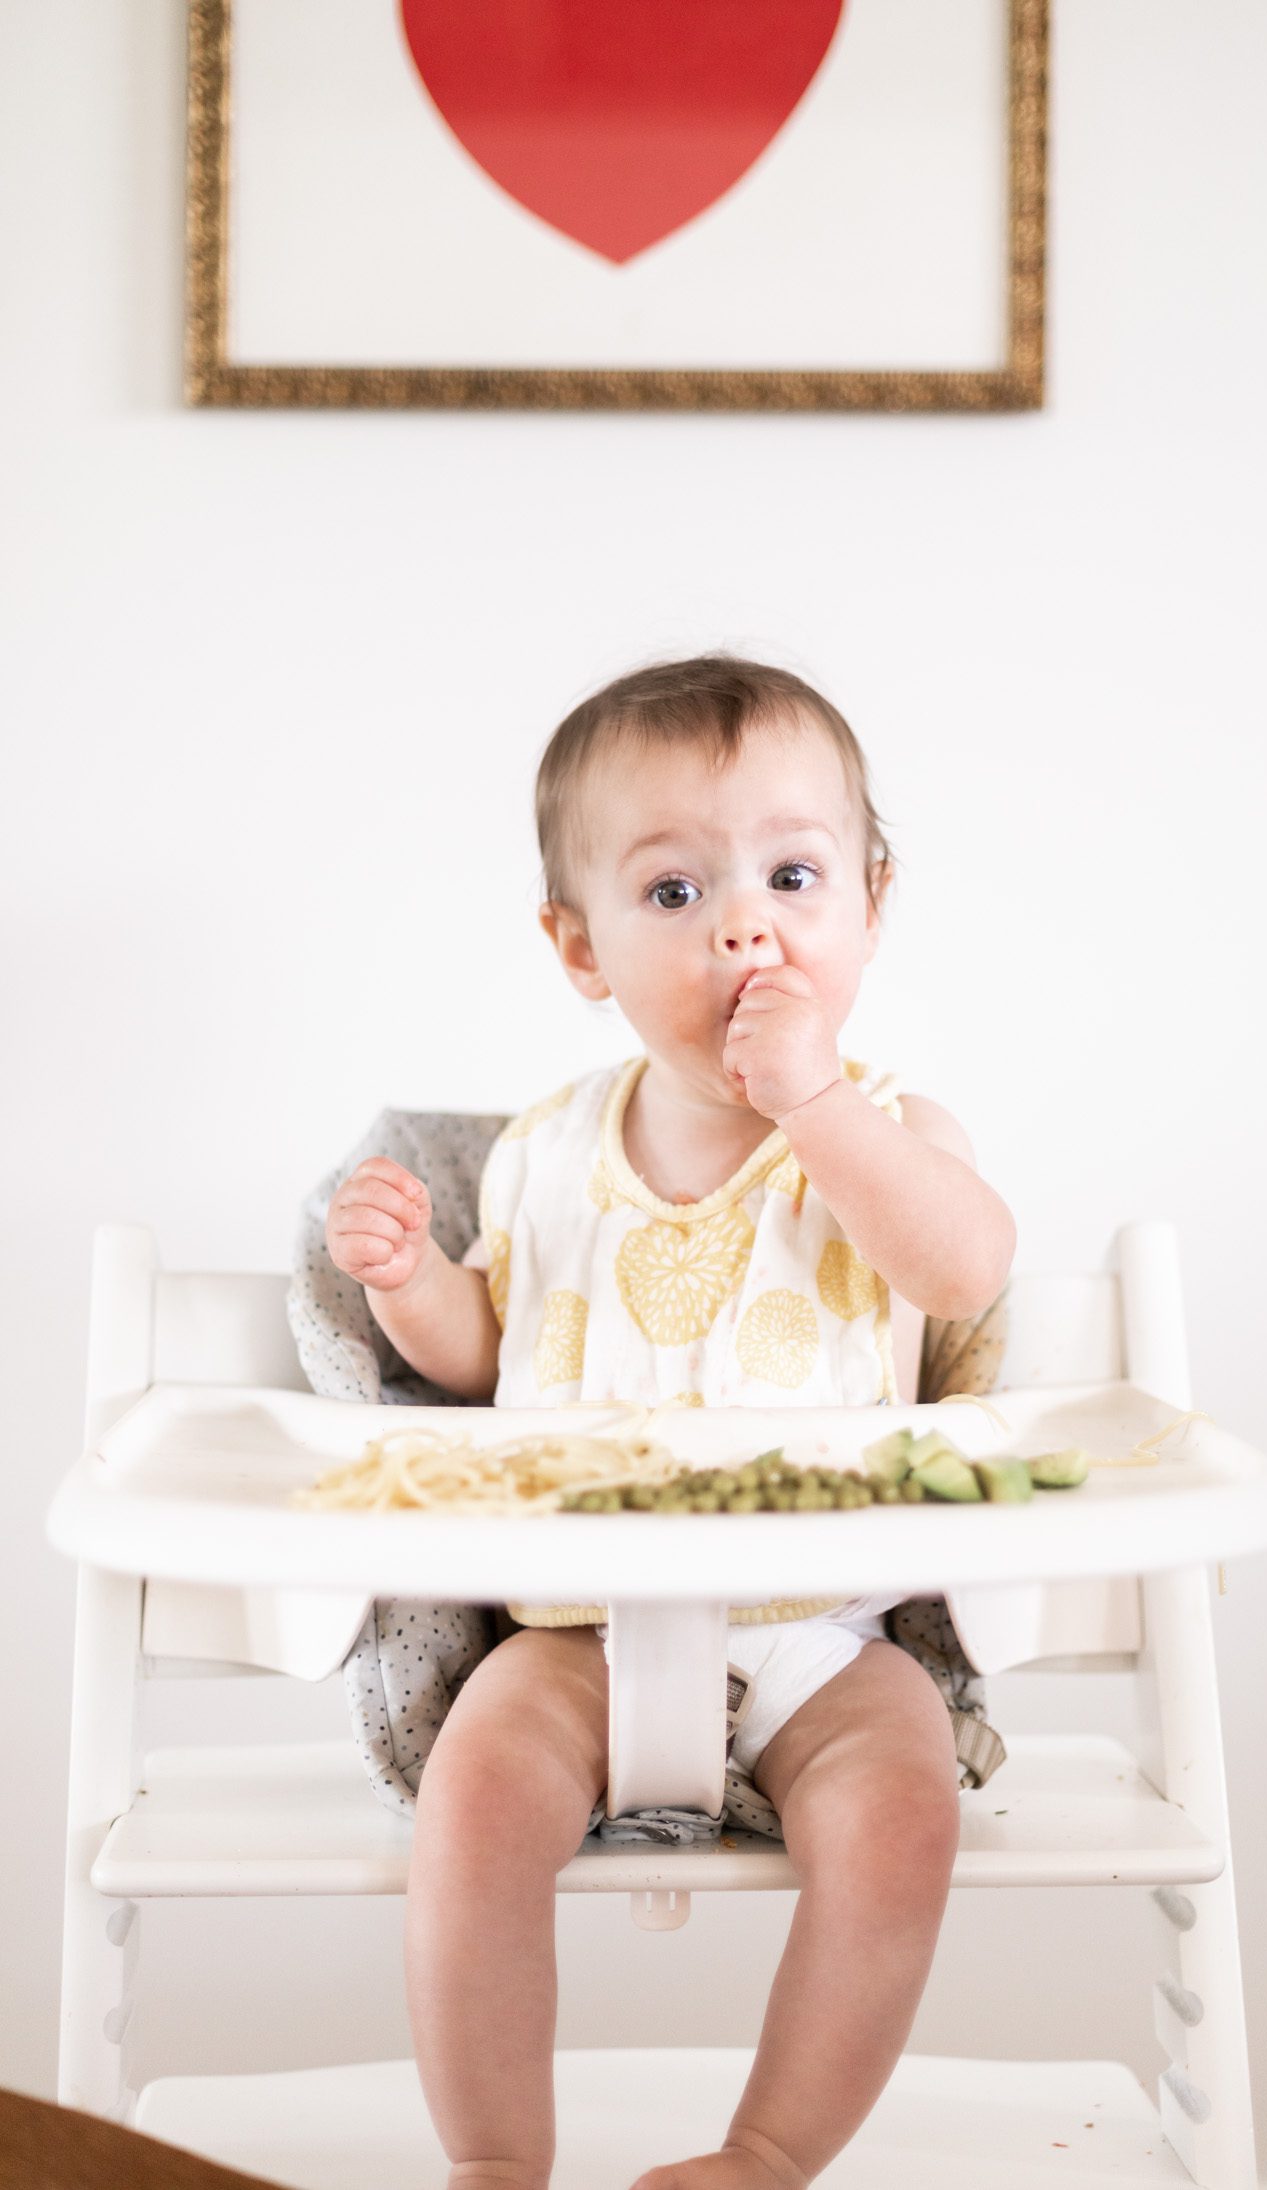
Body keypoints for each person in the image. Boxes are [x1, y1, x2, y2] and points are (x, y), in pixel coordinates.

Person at [324, 656, 1016, 2190]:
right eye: (674, 890)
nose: (743, 926)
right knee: (474, 1801)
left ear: (870, 904)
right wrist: (412, 1281)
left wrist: (818, 1107)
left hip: (822, 1633)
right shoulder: (543, 1152)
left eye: (790, 875)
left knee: (904, 1807)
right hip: (573, 1627)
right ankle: (495, 2157)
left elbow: (961, 1267)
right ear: (579, 945)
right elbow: (486, 1361)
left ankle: (767, 2150)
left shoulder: (890, 1132)